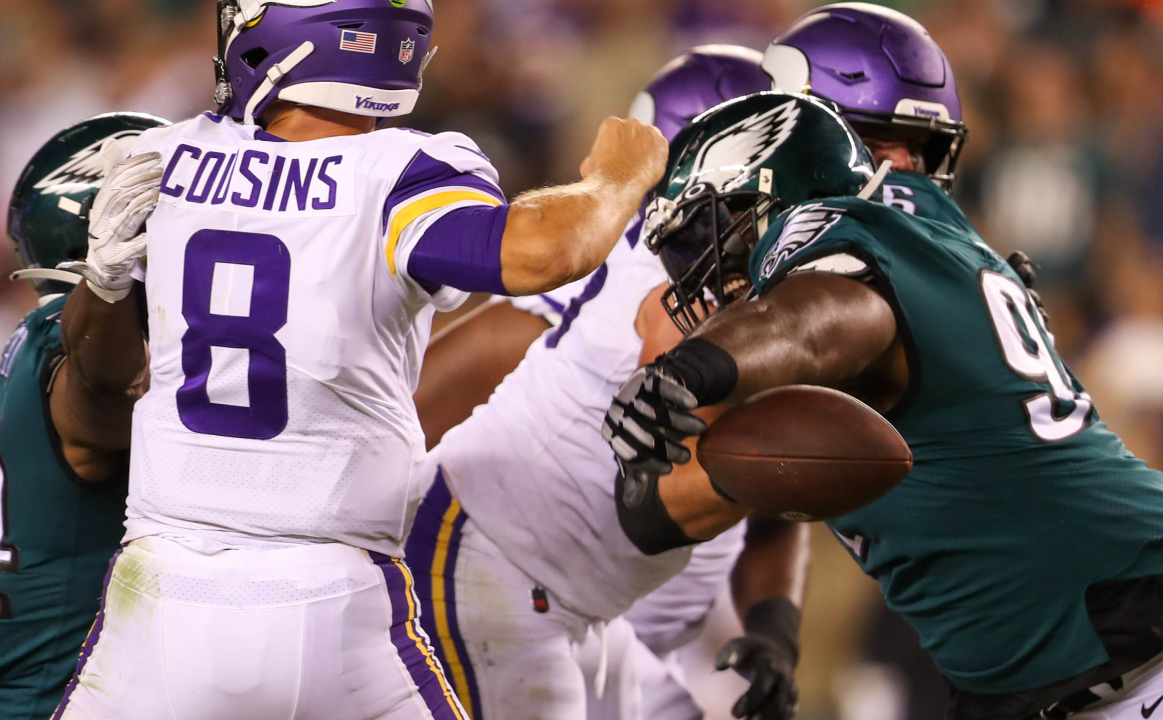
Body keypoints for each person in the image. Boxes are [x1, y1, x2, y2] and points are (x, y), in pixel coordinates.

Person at [603, 6, 1163, 720]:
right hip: (1037, 684)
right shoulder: (923, 248)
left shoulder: (847, 234)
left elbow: (825, 319)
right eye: (890, 146)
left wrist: (692, 370)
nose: (901, 170)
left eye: (909, 151)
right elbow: (686, 502)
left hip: (1157, 659)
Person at [52, 1, 666, 718]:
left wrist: (101, 282)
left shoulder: (165, 157)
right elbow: (546, 251)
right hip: (332, 602)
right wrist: (619, 177)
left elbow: (98, 374)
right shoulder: (398, 172)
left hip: (160, 594)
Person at [408, 46, 808, 720]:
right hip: (498, 584)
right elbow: (388, 444)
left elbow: (765, 495)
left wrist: (774, 629)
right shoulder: (588, 309)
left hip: (598, 618)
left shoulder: (746, 299)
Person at [0, 112, 167, 720]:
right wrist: (109, 284)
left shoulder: (23, 344)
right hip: (55, 701)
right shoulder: (60, 350)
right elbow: (103, 383)